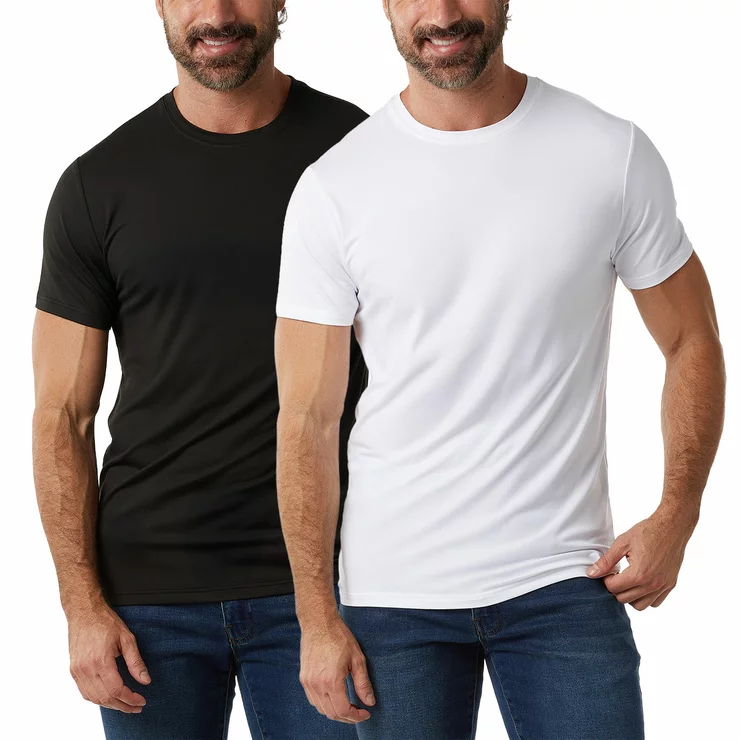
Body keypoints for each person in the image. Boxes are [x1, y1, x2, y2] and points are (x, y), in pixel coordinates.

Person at [273, 1, 726, 738]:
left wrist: (679, 512)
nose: (443, 13)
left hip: (564, 582)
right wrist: (316, 617)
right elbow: (307, 420)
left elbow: (691, 338)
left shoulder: (607, 151)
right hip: (393, 596)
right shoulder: (336, 186)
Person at [31, 1, 368, 738]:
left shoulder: (359, 154)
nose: (216, 13)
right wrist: (81, 606)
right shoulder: (98, 183)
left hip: (328, 585)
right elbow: (62, 415)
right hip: (147, 601)